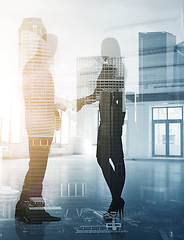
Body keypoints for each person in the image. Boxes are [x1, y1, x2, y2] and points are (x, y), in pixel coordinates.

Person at [15, 33, 64, 224]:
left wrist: (55, 112)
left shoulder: (42, 67)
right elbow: (33, 97)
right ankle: (28, 209)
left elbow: (45, 97)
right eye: (51, 46)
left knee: (38, 169)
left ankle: (31, 208)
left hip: (43, 125)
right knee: (36, 168)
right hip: (38, 126)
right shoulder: (34, 66)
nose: (53, 51)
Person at [76, 38, 126, 220]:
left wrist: (81, 101)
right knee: (112, 158)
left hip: (110, 119)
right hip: (111, 118)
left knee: (108, 158)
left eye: (104, 48)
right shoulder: (118, 66)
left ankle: (116, 201)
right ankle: (116, 200)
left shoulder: (111, 67)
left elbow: (99, 93)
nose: (101, 52)